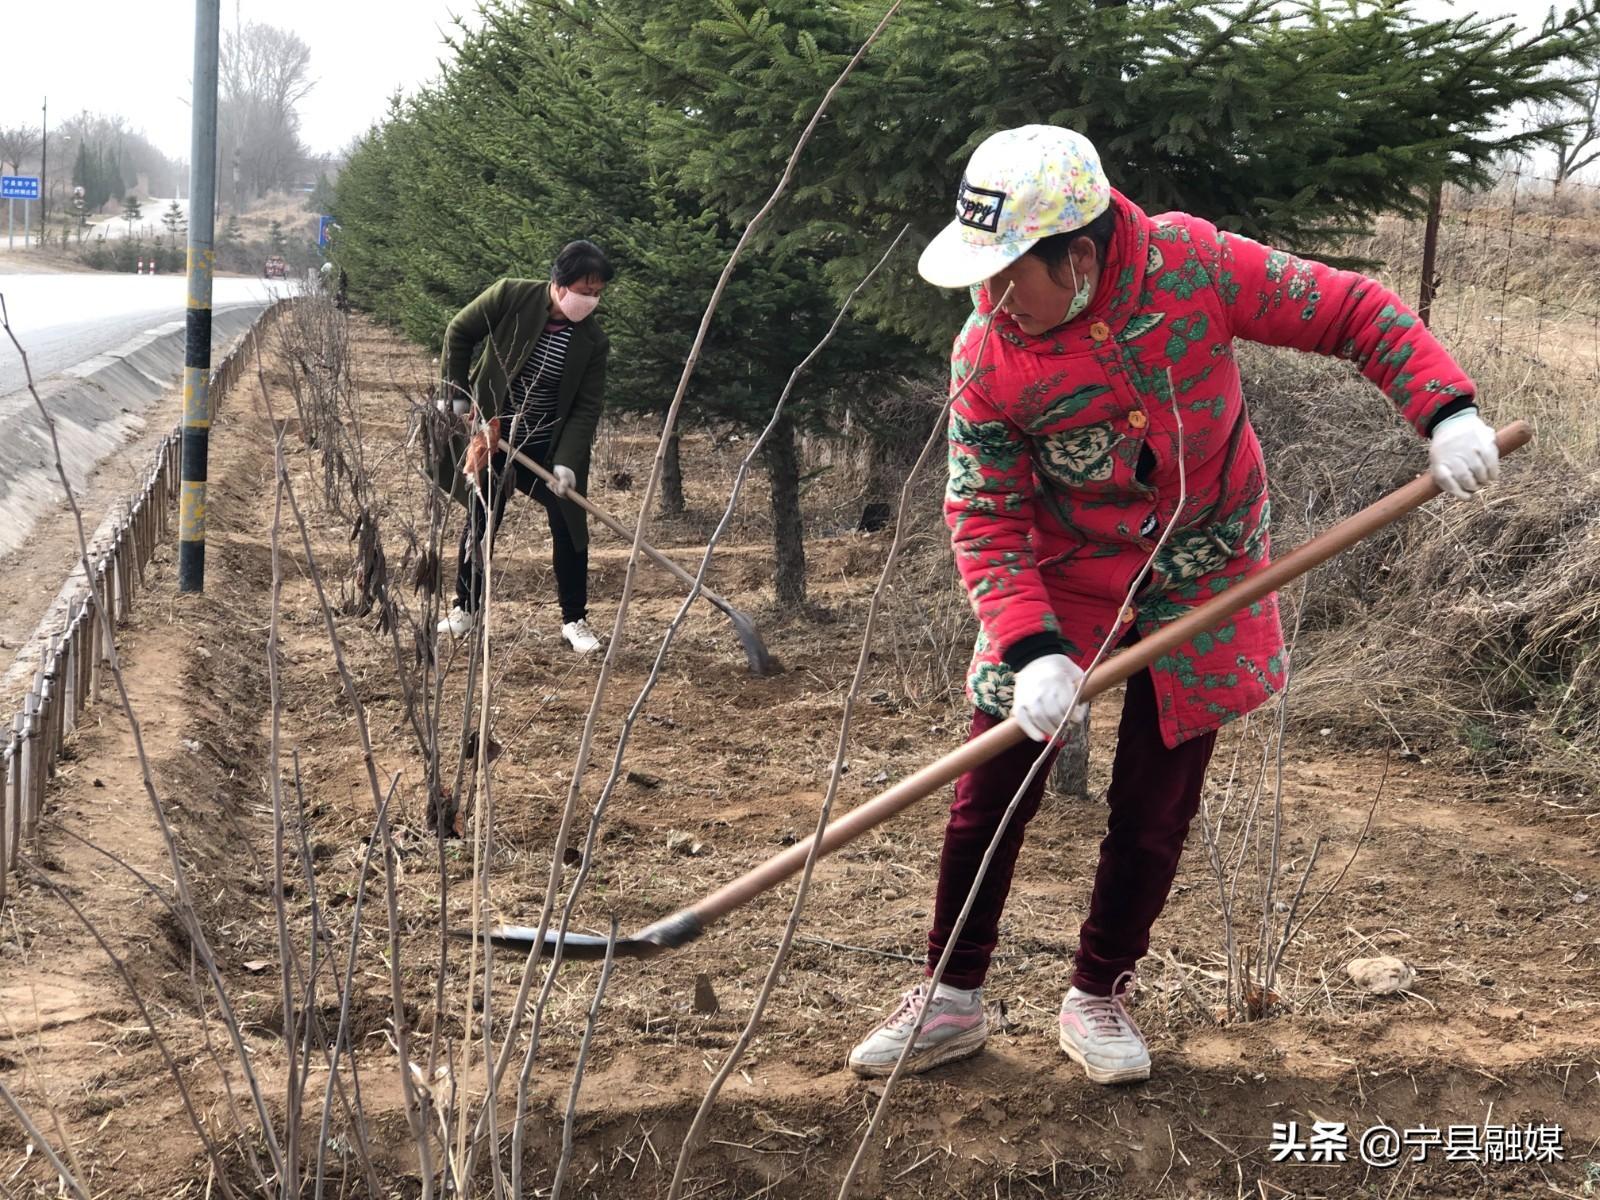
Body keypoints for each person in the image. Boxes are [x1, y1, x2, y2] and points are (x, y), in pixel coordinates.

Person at [846, 126, 1499, 1083]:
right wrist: (1032, 651)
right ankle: (949, 996)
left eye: (1009, 274)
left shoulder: (1190, 266)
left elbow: (1350, 311)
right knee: (990, 791)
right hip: (1064, 577)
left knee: (1154, 804)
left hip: (1207, 567)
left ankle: (1099, 992)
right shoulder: (989, 351)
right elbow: (984, 513)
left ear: (1078, 256)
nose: (993, 298)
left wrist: (1445, 410)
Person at [433, 240, 614, 653]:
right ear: (559, 283)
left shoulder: (592, 341)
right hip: (493, 431)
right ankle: (467, 608)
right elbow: (459, 332)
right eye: (584, 291)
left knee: (569, 525)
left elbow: (586, 408)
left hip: (548, 444)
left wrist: (567, 464)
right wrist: (457, 398)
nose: (590, 300)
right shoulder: (511, 295)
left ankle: (575, 619)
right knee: (481, 515)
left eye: (597, 293)